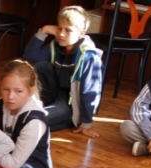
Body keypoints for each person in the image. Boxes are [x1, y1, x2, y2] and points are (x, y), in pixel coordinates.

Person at [23, 6, 102, 138]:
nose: (61, 34)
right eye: (59, 28)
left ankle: (70, 118)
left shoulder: (88, 55)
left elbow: (89, 92)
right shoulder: (57, 45)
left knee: (32, 121)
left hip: (71, 103)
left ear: (82, 32)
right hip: (55, 94)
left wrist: (86, 123)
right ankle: (58, 115)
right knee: (41, 65)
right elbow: (30, 55)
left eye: (68, 30)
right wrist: (44, 30)